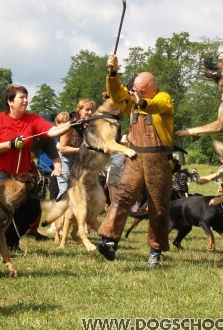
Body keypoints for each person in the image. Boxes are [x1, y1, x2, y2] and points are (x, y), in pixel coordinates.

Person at [97, 54, 175, 268]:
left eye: (140, 91)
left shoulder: (164, 99)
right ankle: (108, 241)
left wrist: (143, 102)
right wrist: (113, 72)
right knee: (121, 197)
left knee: (158, 207)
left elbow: (156, 106)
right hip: (134, 157)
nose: (135, 94)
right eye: (135, 90)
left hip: (159, 160)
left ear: (152, 89)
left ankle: (155, 252)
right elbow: (116, 92)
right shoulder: (130, 103)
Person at [0, 84, 76, 254]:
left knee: (32, 206)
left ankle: (11, 244)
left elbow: (53, 132)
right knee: (8, 202)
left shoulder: (33, 119)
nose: (26, 100)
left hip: (21, 173)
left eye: (26, 97)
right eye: (21, 97)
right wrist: (9, 144)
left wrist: (72, 123)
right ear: (10, 101)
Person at [25, 137, 62, 241]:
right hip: (15, 166)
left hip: (31, 166)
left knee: (39, 194)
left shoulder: (46, 137)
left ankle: (31, 230)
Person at [56, 99, 95, 199]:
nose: (90, 112)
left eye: (91, 110)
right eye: (87, 110)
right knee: (65, 189)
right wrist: (81, 150)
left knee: (77, 190)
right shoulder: (71, 124)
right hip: (65, 160)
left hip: (78, 161)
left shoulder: (88, 125)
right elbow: (62, 148)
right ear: (79, 110)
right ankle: (60, 212)